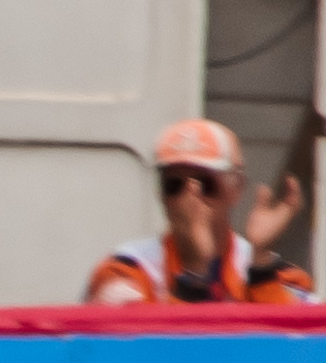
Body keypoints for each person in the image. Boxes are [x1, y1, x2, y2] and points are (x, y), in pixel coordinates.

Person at [85, 114, 308, 305]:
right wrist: (196, 269)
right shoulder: (125, 267)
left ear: (236, 189)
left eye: (206, 184)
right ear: (161, 195)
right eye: (174, 185)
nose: (190, 198)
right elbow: (149, 348)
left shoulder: (282, 274)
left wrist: (261, 264)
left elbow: (292, 345)